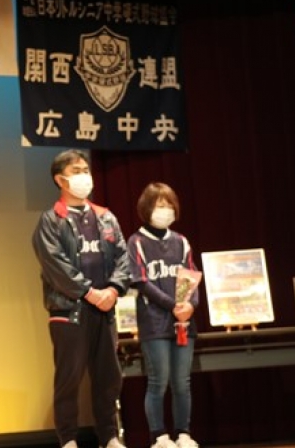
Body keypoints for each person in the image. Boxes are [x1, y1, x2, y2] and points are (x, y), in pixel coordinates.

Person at [32, 149, 131, 448]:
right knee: (69, 379)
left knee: (108, 377)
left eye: (86, 170)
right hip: (69, 310)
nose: (84, 176)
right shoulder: (51, 220)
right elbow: (55, 265)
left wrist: (112, 290)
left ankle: (109, 436)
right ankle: (68, 440)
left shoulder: (106, 217)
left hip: (104, 309)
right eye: (76, 171)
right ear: (60, 179)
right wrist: (89, 292)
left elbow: (123, 258)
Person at [126, 182, 200, 448]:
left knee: (182, 382)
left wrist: (191, 306)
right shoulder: (137, 241)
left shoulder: (181, 241)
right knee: (158, 381)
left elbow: (191, 277)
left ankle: (183, 433)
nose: (165, 210)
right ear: (147, 209)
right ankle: (159, 436)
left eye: (169, 205)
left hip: (183, 322)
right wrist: (173, 305)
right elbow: (141, 281)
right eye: (159, 205)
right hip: (154, 322)